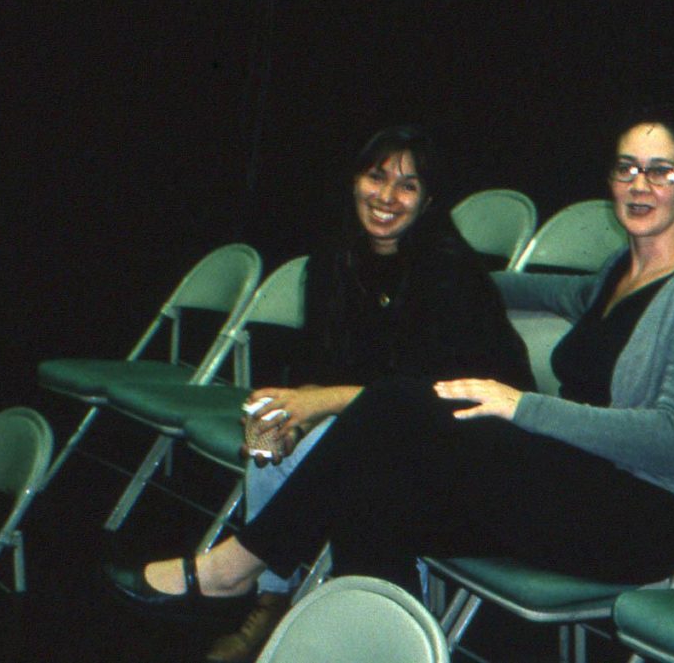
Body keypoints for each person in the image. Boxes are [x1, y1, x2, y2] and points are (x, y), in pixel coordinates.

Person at [107, 112, 674, 623]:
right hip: (570, 486)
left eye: (661, 171)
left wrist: (521, 405)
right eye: (627, 168)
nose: (639, 185)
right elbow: (519, 286)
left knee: (397, 403)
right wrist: (434, 266)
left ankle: (237, 562)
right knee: (371, 490)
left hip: (637, 519)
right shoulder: (617, 275)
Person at [193, 125, 535, 662]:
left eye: (407, 186)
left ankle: (377, 618)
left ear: (427, 201)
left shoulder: (448, 272)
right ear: (354, 179)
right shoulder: (334, 261)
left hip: (466, 438)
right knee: (268, 417)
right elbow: (321, 369)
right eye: (376, 177)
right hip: (376, 417)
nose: (386, 197)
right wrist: (290, 417)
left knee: (347, 457)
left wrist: (316, 403)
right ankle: (273, 600)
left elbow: (419, 398)